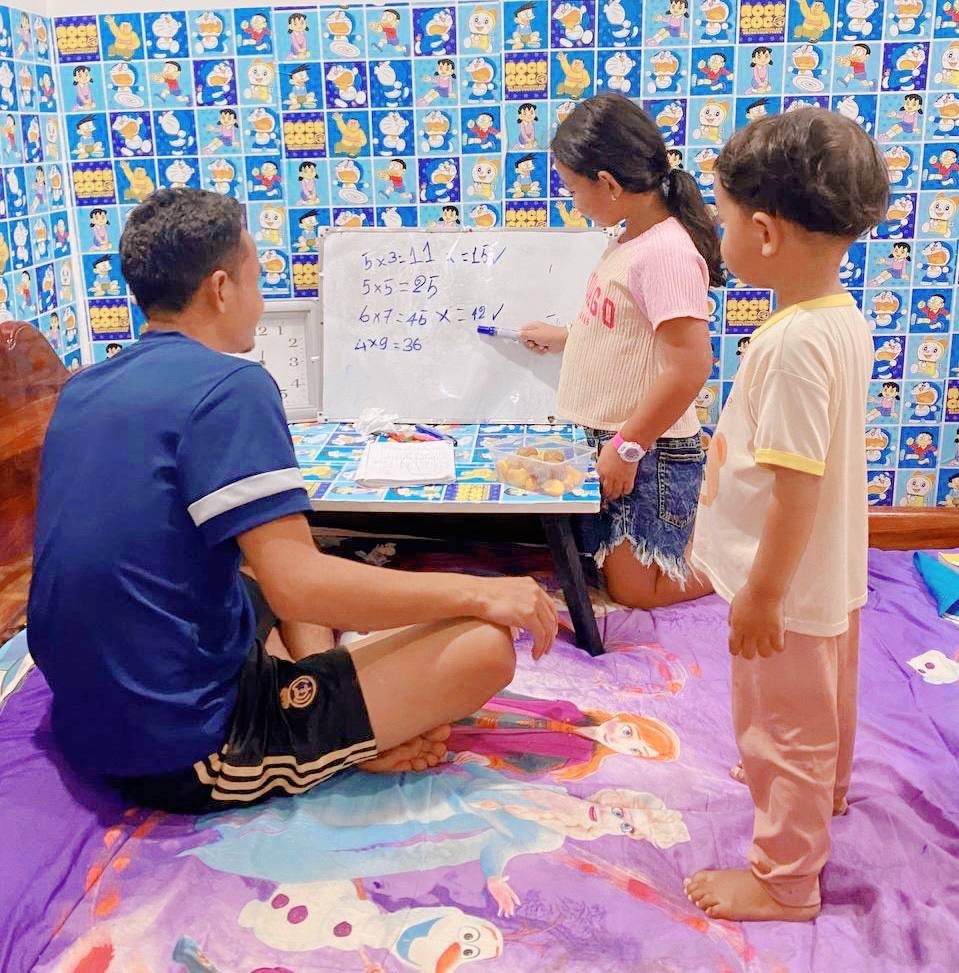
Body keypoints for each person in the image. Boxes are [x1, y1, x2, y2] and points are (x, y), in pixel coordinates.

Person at [27, 189, 558, 814]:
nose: (262, 297)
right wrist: (481, 591)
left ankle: (330, 700)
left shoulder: (85, 384)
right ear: (221, 288)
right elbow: (300, 589)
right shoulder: (233, 386)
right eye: (258, 278)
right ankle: (337, 733)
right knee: (484, 643)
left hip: (92, 714)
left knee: (258, 559)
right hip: (185, 749)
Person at [663, 109, 888, 921]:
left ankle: (784, 878)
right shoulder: (838, 318)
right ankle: (821, 790)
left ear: (761, 231)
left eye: (718, 219)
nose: (714, 233)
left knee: (778, 722)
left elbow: (794, 488)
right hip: (829, 573)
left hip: (787, 585)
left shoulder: (789, 345)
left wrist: (759, 593)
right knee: (821, 701)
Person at [520, 93, 723, 609]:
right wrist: (566, 337)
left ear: (608, 184)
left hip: (645, 449)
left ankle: (747, 564)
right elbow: (630, 331)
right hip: (615, 440)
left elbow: (691, 364)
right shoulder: (629, 239)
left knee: (635, 592)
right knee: (603, 565)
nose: (572, 200)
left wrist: (629, 446)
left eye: (572, 188)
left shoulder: (667, 254)